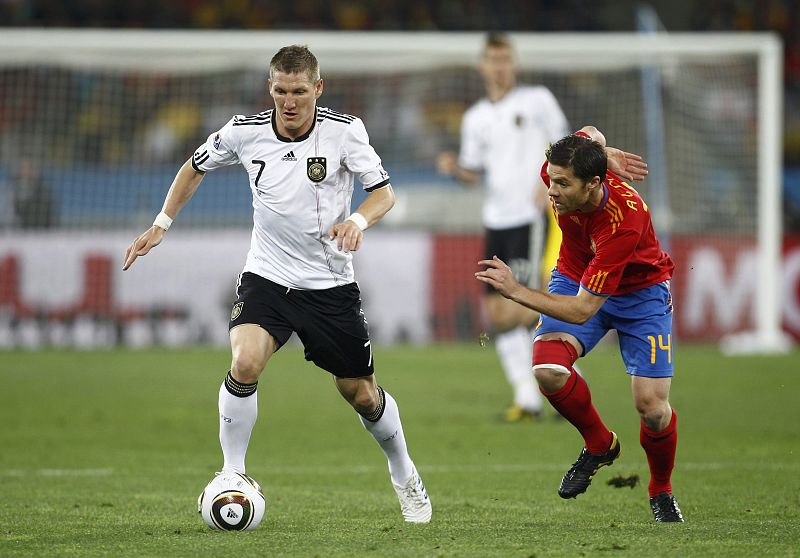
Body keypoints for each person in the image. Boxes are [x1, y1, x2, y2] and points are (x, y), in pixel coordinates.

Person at [122, 45, 431, 524]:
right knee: (244, 362)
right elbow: (193, 166)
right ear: (271, 88)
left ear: (317, 89)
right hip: (267, 276)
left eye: (300, 92)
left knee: (362, 394)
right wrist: (161, 223)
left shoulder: (345, 132)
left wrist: (356, 222)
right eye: (281, 91)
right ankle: (232, 474)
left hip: (329, 285)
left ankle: (404, 473)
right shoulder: (242, 133)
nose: (290, 102)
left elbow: (384, 193)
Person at [476, 126, 684, 523]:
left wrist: (516, 289)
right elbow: (591, 132)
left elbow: (583, 310)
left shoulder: (625, 220)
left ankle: (661, 489)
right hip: (576, 273)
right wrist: (603, 151)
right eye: (551, 179)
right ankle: (600, 444)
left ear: (592, 186)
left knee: (652, 408)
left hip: (641, 293)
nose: (550, 191)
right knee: (548, 370)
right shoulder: (562, 170)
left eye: (561, 184)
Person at [437, 32, 569, 422]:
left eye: (505, 58)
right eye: (493, 59)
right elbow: (473, 173)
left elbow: (566, 145)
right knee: (497, 313)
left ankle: (565, 380)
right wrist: (454, 169)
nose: (499, 66)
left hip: (532, 218)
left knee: (525, 304)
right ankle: (530, 398)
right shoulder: (475, 117)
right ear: (483, 66)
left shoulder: (537, 100)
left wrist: (548, 182)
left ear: (514, 63)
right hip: (496, 220)